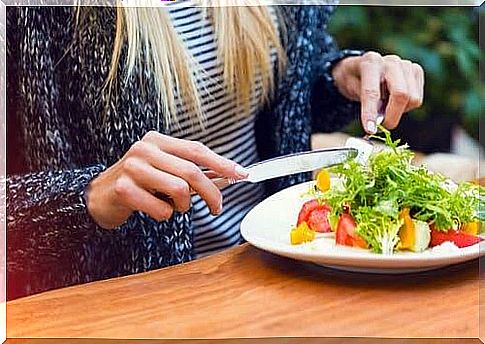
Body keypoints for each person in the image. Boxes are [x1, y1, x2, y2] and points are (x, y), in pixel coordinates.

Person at [6, 3, 424, 299]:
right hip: (140, 310)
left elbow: (284, 95)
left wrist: (340, 78)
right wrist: (88, 196)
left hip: (287, 279)